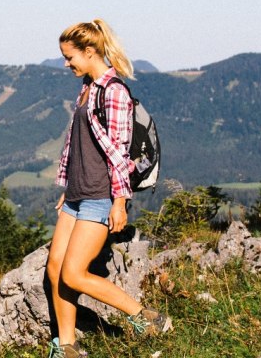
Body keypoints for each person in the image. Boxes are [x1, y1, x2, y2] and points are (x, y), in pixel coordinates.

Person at [47, 19, 171, 358]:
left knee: (73, 274)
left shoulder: (113, 92)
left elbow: (119, 154)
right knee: (55, 268)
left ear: (89, 52)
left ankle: (146, 317)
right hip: (76, 194)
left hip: (99, 197)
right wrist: (68, 187)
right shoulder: (87, 86)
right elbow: (81, 144)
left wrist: (120, 202)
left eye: (70, 57)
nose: (66, 63)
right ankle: (67, 347)